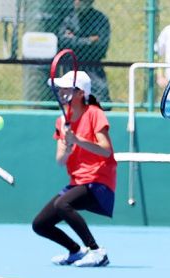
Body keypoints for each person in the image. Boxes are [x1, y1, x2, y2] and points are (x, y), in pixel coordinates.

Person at [32, 70, 116, 267]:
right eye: (60, 88)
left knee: (62, 204)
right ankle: (76, 251)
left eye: (67, 88)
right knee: (40, 224)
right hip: (77, 181)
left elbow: (106, 150)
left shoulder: (94, 113)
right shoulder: (62, 121)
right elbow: (60, 160)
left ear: (80, 93)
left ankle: (96, 251)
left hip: (99, 180)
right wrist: (68, 145)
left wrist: (78, 139)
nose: (61, 92)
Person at [58, 0, 111, 105]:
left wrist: (75, 40)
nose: (77, 2)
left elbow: (101, 46)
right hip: (71, 65)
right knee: (70, 99)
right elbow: (63, 42)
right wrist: (89, 41)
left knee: (102, 98)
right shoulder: (67, 18)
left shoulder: (100, 19)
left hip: (93, 66)